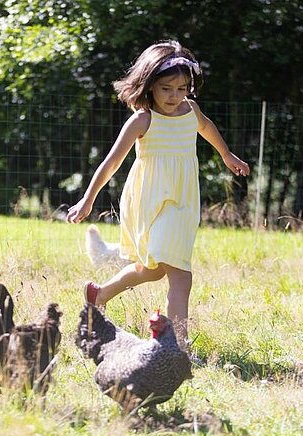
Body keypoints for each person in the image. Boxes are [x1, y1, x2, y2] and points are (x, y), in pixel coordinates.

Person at [66, 40, 249, 345]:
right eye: (166, 88)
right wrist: (88, 199)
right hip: (151, 201)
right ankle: (176, 344)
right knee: (180, 274)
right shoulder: (143, 120)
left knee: (152, 271)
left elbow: (207, 127)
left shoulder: (190, 110)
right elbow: (111, 163)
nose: (174, 96)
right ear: (150, 85)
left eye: (181, 88)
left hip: (183, 199)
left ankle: (99, 294)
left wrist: (227, 155)